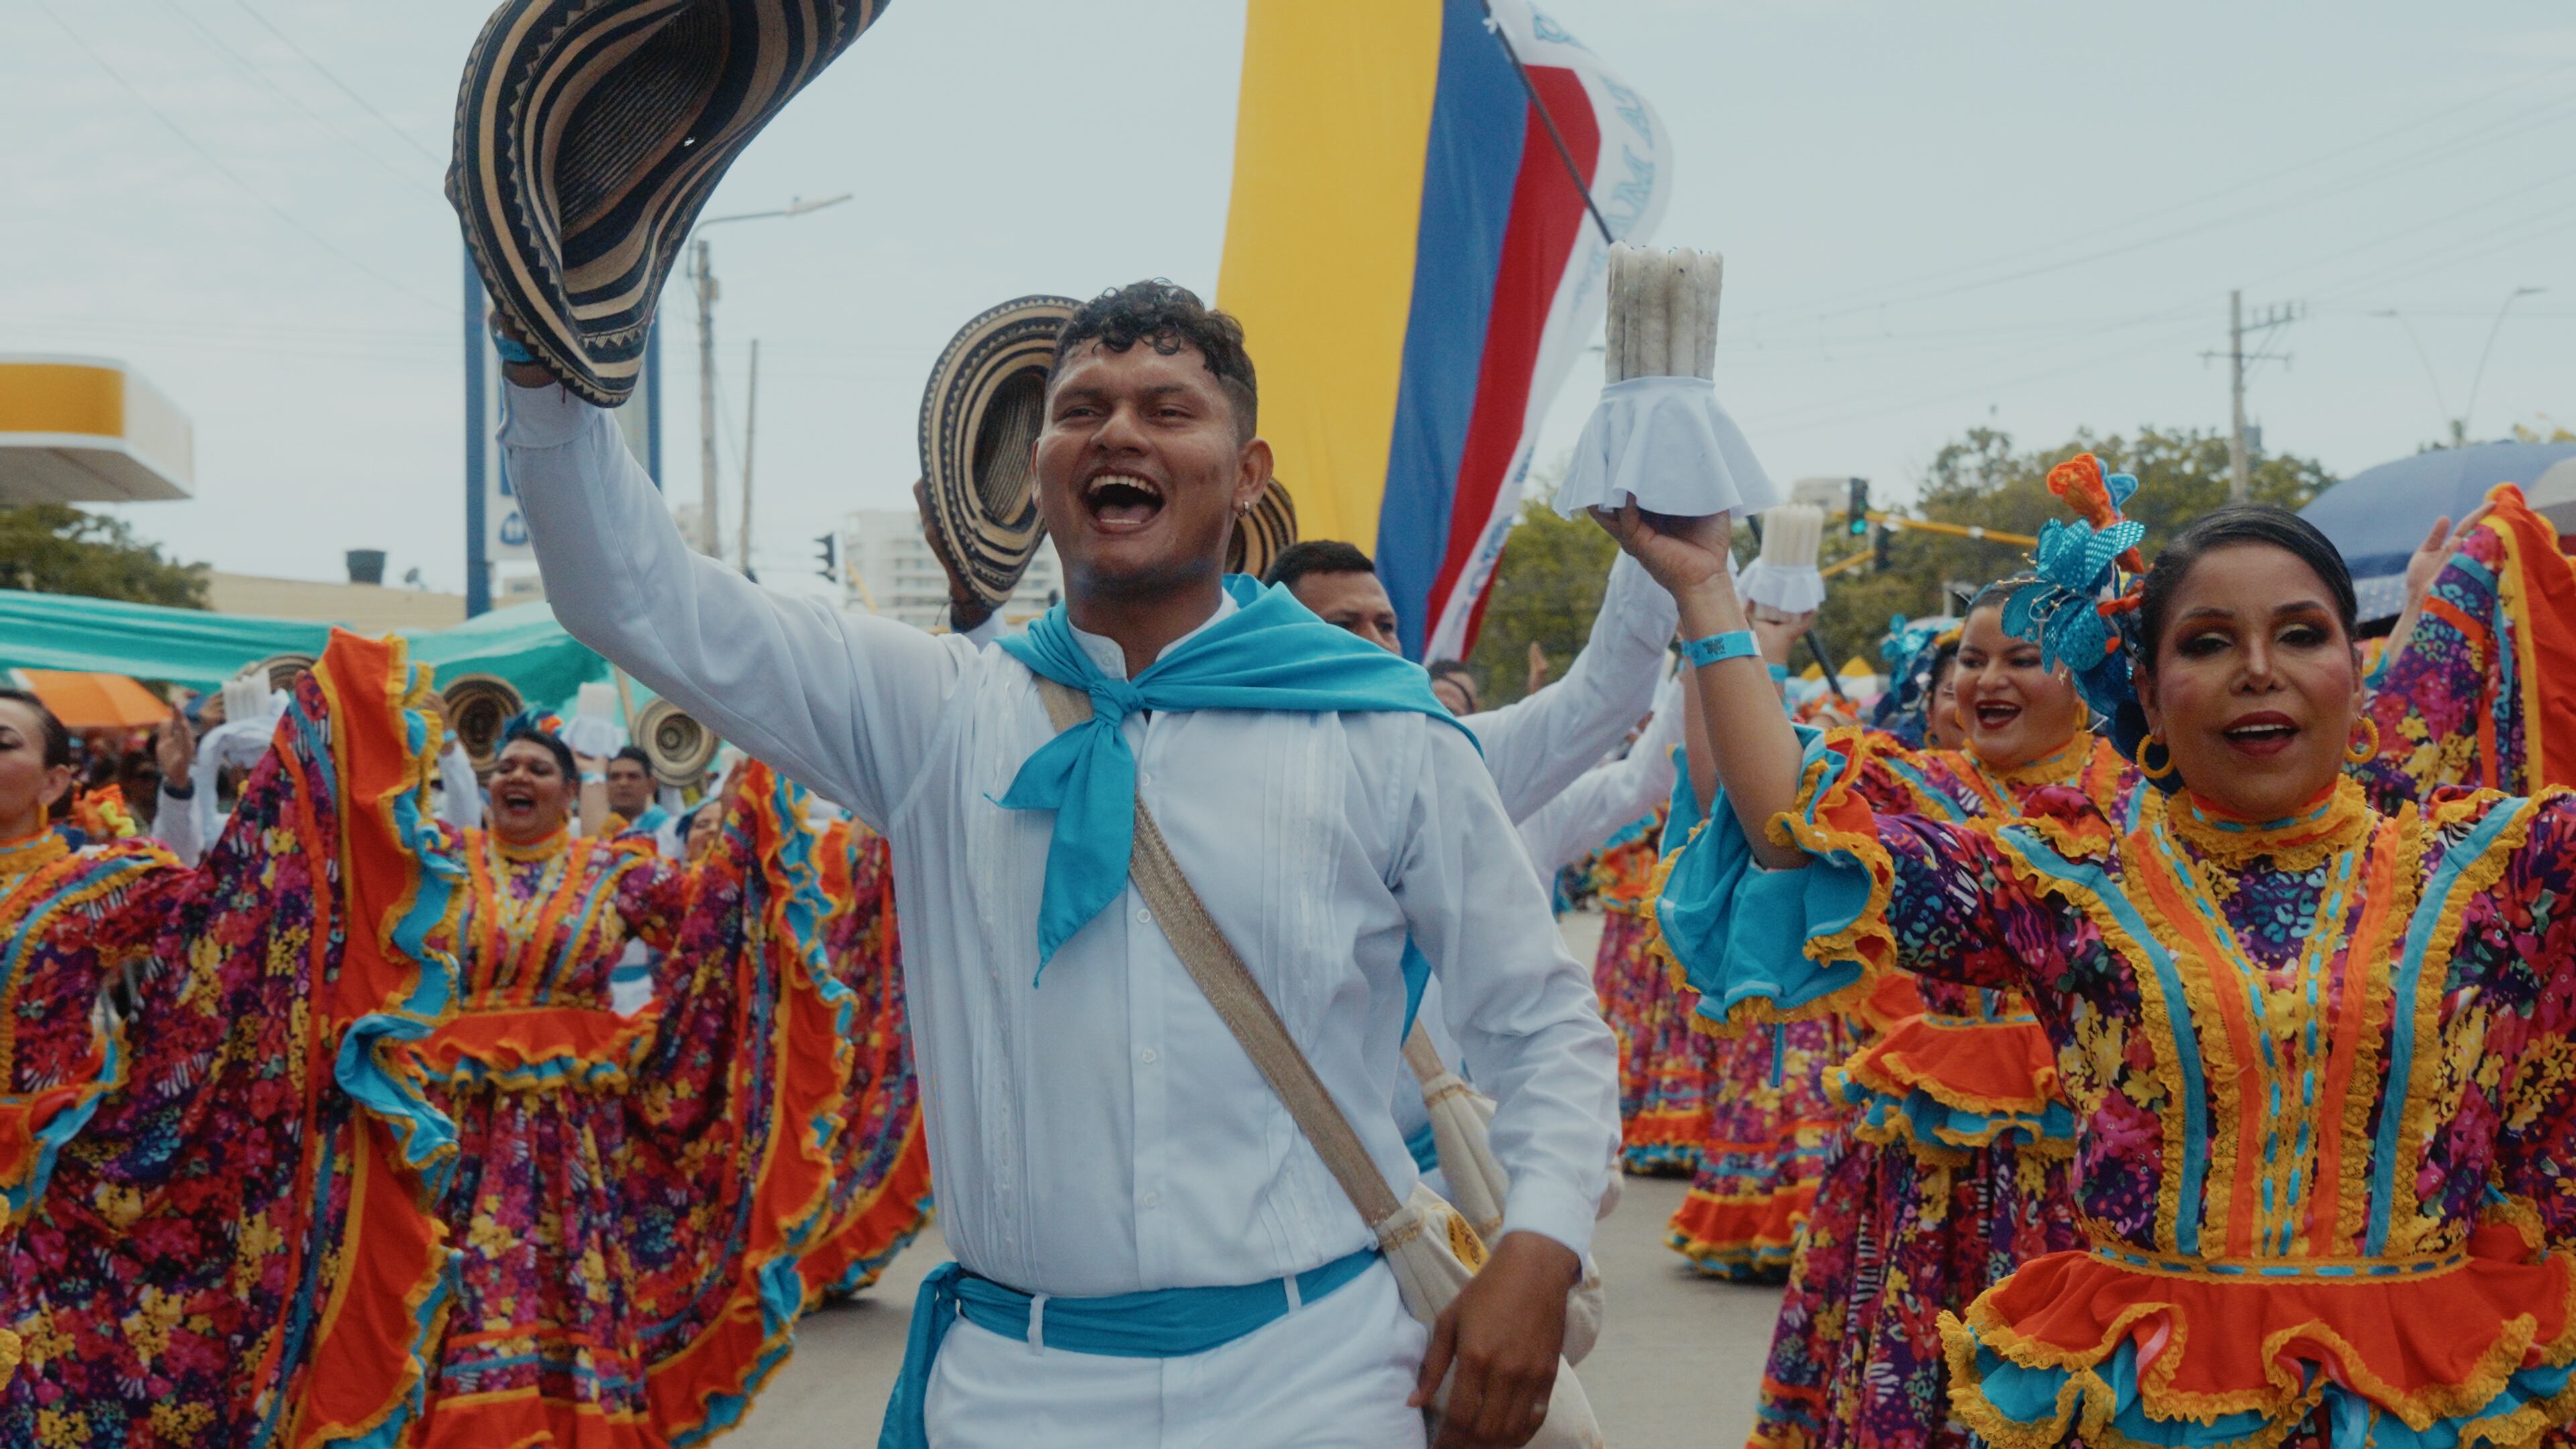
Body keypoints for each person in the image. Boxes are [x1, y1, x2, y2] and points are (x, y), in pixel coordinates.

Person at [498, 279, 1616, 1449]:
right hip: (1016, 1394)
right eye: (1079, 409)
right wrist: (545, 364)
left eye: (1167, 409)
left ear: (1248, 476)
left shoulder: (1378, 730)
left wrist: (1539, 1251)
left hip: (1325, 1380)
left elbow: (1540, 1020)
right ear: (1040, 471)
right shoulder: (934, 715)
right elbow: (632, 593)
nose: (1118, 432)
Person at [1636, 463, 2576, 1449]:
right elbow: (1794, 826)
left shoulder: (2494, 876)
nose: (2259, 668)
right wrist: (1706, 591)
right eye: (2209, 644)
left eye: (2301, 634)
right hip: (2145, 1401)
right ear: (2147, 693)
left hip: (2425, 1395)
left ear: (2359, 666)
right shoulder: (2070, 883)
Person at [0, 641, 454, 1444]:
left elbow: (233, 915)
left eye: (4, 741)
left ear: (61, 781)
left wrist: (277, 776)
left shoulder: (91, 881)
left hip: (37, 1183)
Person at [400, 722, 843, 1446]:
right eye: (506, 765)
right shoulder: (442, 863)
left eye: (538, 768)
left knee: (570, 1291)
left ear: (571, 793)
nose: (517, 776)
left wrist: (741, 825)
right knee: (454, 1292)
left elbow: (711, 927)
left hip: (571, 1148)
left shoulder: (612, 869)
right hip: (453, 1140)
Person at [604, 743, 669, 836]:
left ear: (651, 784)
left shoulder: (668, 829)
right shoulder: (596, 827)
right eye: (615, 777)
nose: (623, 783)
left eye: (633, 777)